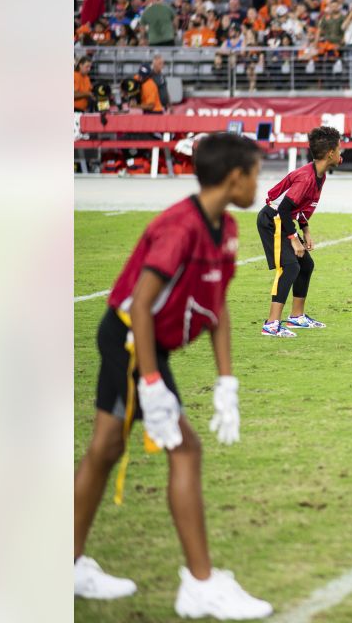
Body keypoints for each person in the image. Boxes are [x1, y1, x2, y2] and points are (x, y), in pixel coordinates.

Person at [73, 132, 273, 620]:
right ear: (234, 177)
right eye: (255, 174)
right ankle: (201, 584)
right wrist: (152, 383)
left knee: (105, 449)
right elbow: (140, 305)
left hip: (144, 347)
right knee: (183, 450)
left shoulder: (225, 228)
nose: (258, 185)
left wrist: (227, 381)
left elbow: (218, 306)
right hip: (128, 340)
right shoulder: (179, 228)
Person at [256, 126, 342, 337]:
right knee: (290, 266)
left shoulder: (319, 174)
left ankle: (296, 317)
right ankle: (271, 323)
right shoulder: (307, 177)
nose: (342, 153)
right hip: (273, 219)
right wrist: (293, 239)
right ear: (330, 153)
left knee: (306, 265)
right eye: (339, 149)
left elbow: (301, 207)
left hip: (284, 219)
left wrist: (306, 231)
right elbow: (284, 208)